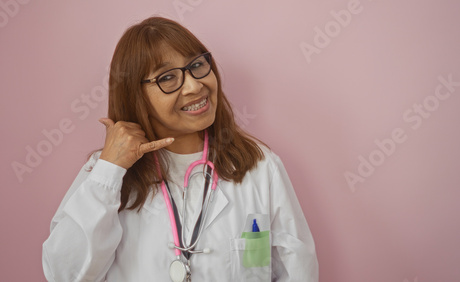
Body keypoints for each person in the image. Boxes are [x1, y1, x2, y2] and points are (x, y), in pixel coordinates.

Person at [42, 16, 318, 282]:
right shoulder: (105, 172)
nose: (195, 85)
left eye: (197, 65)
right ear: (135, 95)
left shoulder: (259, 165)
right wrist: (110, 170)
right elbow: (66, 275)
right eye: (167, 78)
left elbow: (298, 271)